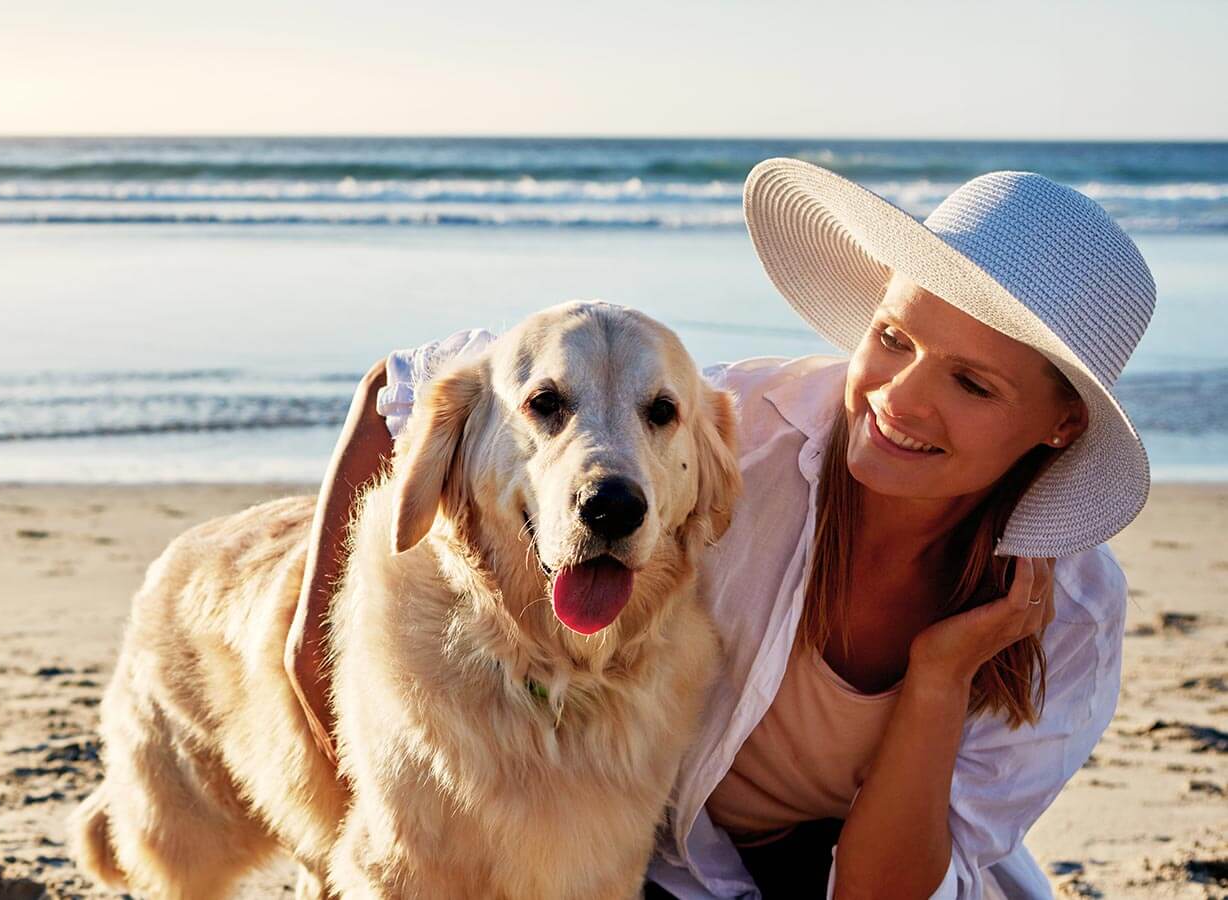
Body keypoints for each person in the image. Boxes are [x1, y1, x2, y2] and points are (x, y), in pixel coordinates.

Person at [283, 158, 1155, 899]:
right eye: (892, 338)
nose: (900, 399)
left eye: (973, 385)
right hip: (672, 861)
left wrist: (938, 679)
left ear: (1060, 424)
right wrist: (309, 637)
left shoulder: (1067, 611)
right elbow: (402, 388)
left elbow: (880, 893)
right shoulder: (732, 431)